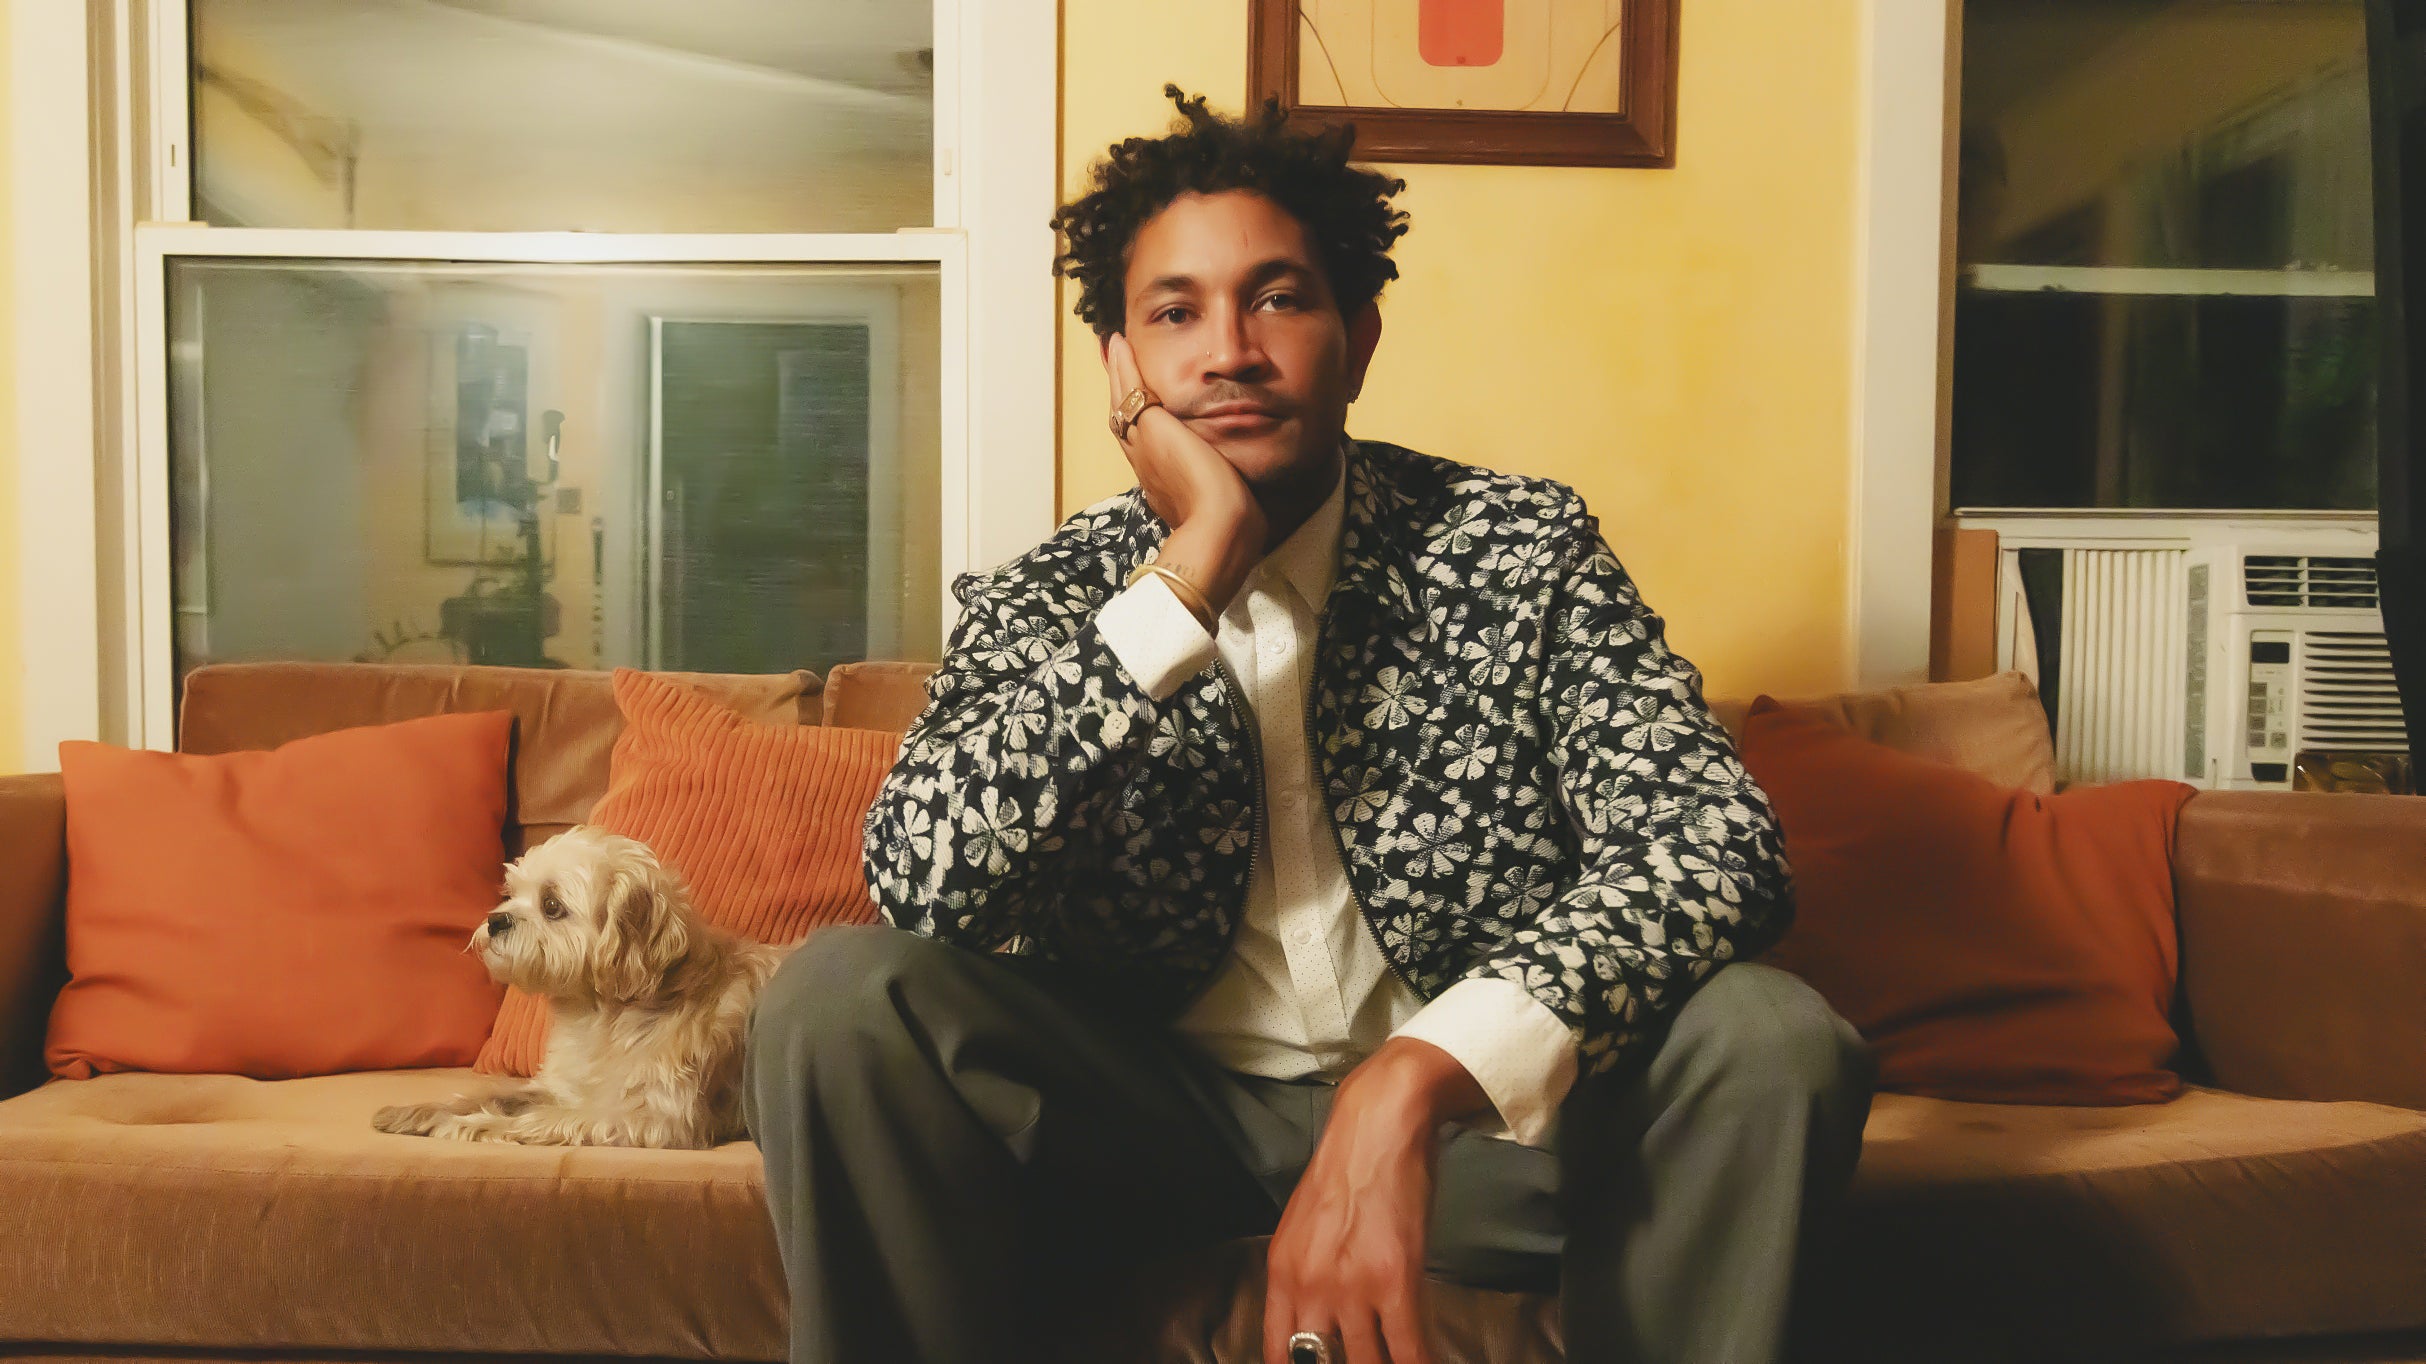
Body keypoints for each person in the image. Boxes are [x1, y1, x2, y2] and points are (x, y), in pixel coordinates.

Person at [744, 87, 1875, 1364]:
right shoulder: (1053, 593)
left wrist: (1417, 1078)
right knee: (834, 999)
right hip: (1146, 1137)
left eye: (1276, 298)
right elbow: (921, 877)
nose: (1228, 350)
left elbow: (1715, 842)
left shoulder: (1517, 547)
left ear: (1358, 339)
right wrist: (1188, 575)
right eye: (1175, 313)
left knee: (1770, 1037)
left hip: (1476, 1140)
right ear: (1120, 369)